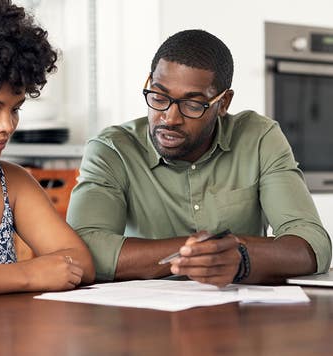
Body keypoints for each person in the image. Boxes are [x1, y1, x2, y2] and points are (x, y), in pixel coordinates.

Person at [67, 29, 331, 287]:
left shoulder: (258, 137)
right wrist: (206, 252)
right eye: (159, 97)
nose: (169, 118)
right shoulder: (112, 149)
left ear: (223, 103)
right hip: (145, 320)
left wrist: (241, 260)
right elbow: (84, 248)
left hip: (240, 315)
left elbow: (311, 242)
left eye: (192, 105)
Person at [0, 0, 95, 296]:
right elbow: (40, 272)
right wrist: (27, 274)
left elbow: (82, 262)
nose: (8, 125)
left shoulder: (12, 184)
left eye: (15, 109)